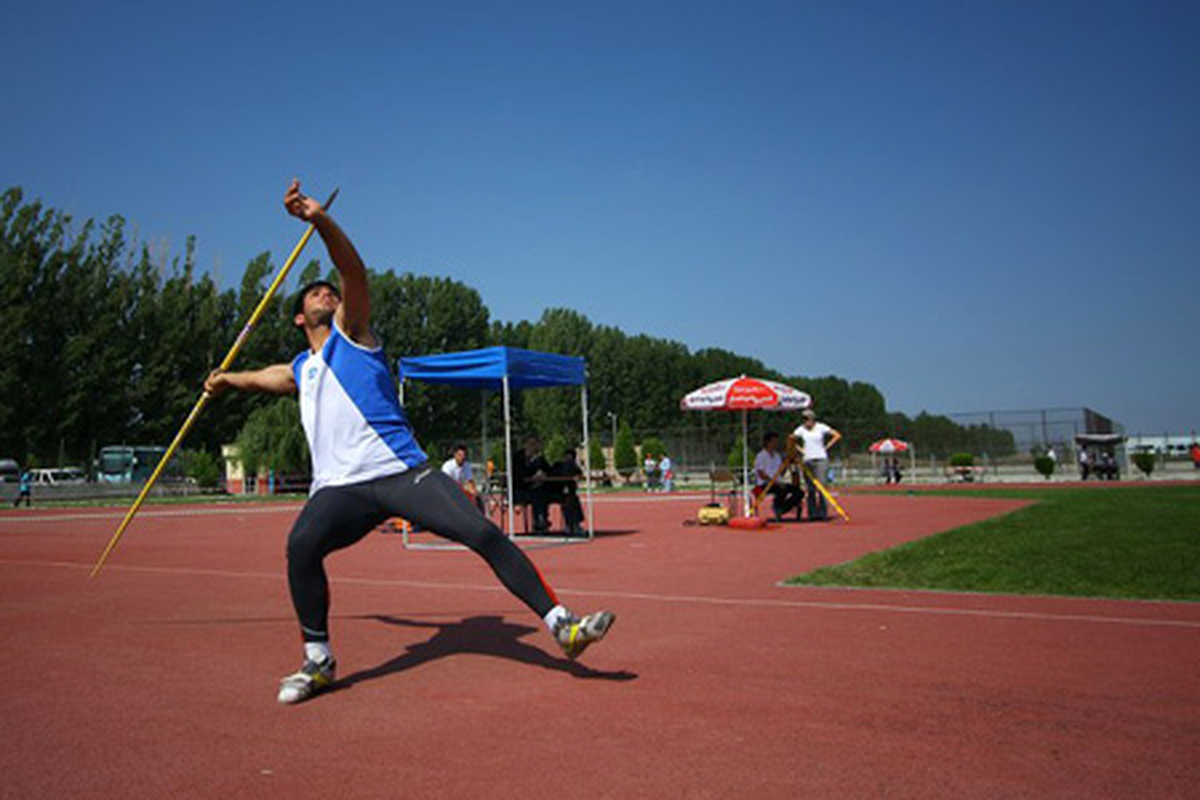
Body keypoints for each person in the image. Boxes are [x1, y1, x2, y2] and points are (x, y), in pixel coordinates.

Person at [205, 180, 614, 704]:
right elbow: (266, 376)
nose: (326, 293)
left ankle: (563, 626)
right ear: (298, 317)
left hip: (401, 471)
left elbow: (353, 271)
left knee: (481, 532)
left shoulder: (352, 334)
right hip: (340, 489)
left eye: (329, 290)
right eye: (315, 294)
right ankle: (318, 660)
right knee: (300, 546)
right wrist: (225, 380)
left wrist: (320, 223)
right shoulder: (304, 369)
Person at [791, 409, 841, 521]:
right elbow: (791, 439)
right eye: (804, 419)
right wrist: (800, 449)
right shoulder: (801, 429)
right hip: (807, 460)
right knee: (810, 489)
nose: (806, 421)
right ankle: (812, 514)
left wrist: (827, 446)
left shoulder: (821, 427)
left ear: (813, 419)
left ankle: (823, 513)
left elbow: (837, 435)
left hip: (821, 459)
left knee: (822, 487)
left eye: (807, 419)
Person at [754, 432, 801, 520]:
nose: (776, 444)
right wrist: (773, 481)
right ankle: (778, 507)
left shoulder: (777, 456)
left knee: (799, 492)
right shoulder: (760, 456)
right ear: (768, 442)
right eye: (774, 441)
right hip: (764, 484)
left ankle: (782, 508)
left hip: (778, 482)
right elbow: (760, 473)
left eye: (776, 441)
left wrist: (787, 465)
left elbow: (780, 472)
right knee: (781, 490)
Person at [513, 435, 553, 534]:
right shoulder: (517, 458)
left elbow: (549, 470)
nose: (533, 447)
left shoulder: (539, 458)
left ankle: (572, 524)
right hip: (520, 490)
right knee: (538, 495)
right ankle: (539, 522)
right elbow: (518, 476)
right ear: (525, 445)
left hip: (536, 487)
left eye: (535, 445)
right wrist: (532, 477)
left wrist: (544, 475)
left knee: (550, 493)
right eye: (531, 444)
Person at [549, 446, 585, 536]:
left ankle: (575, 524)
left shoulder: (573, 466)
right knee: (569, 501)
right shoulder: (559, 465)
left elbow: (579, 473)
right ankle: (571, 524)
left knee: (573, 500)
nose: (568, 459)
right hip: (556, 491)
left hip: (568, 492)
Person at [441, 443, 484, 513]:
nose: (462, 458)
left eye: (464, 455)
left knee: (477, 497)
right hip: (447, 490)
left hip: (459, 490)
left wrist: (474, 492)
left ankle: (480, 516)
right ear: (455, 455)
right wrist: (464, 488)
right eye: (460, 455)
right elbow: (447, 483)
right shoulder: (447, 466)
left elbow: (469, 481)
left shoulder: (466, 465)